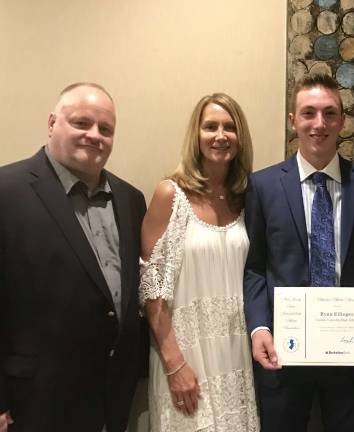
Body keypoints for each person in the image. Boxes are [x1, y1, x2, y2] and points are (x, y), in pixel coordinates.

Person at [243, 74, 354, 432]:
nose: (319, 124)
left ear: (342, 120)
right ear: (293, 120)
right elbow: (255, 267)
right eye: (308, 113)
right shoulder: (262, 186)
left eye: (329, 113)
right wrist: (259, 326)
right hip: (284, 352)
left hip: (351, 351)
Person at [0, 83, 147, 432]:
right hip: (33, 401)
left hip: (112, 398)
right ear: (52, 123)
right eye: (82, 123)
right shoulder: (7, 191)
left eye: (105, 129)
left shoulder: (130, 199)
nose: (94, 135)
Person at [140, 93, 258, 431]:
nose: (220, 135)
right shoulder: (169, 195)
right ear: (196, 134)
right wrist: (175, 364)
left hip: (237, 354)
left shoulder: (247, 198)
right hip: (186, 355)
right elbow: (152, 290)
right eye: (210, 127)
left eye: (229, 128)